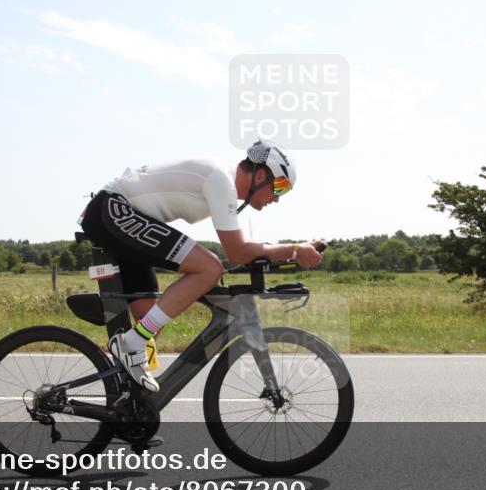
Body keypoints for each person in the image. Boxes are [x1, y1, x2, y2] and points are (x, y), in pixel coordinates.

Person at [77, 140, 323, 392]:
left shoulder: (221, 181)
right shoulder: (220, 179)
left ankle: (128, 407)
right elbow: (237, 252)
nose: (277, 198)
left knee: (148, 318)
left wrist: (293, 251)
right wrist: (293, 250)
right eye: (279, 187)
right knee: (209, 268)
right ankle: (131, 344)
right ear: (260, 174)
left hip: (122, 213)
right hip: (114, 208)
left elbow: (242, 249)